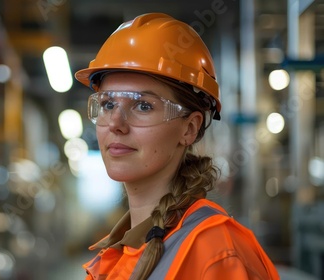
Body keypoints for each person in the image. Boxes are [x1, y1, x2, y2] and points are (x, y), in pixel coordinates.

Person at [74, 13, 279, 279]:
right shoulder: (117, 254)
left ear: (189, 128)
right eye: (107, 104)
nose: (115, 123)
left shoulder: (216, 252)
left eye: (143, 106)